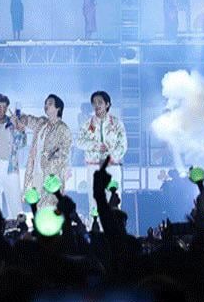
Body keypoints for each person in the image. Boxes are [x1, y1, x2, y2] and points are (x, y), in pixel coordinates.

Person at [77, 89, 128, 221]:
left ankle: (115, 231)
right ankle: (96, 231)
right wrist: (95, 145)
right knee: (94, 202)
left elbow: (123, 145)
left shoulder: (117, 123)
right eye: (94, 103)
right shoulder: (87, 124)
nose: (97, 105)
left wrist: (111, 157)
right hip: (93, 167)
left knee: (114, 200)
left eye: (100, 102)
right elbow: (79, 142)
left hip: (112, 167)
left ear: (107, 104)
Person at [17, 93, 73, 207]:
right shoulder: (41, 123)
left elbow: (65, 153)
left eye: (50, 104)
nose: (46, 106)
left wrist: (49, 156)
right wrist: (21, 119)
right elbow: (28, 119)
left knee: (51, 207)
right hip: (36, 171)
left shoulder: (63, 128)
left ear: (58, 108)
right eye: (45, 104)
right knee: (37, 205)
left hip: (52, 175)